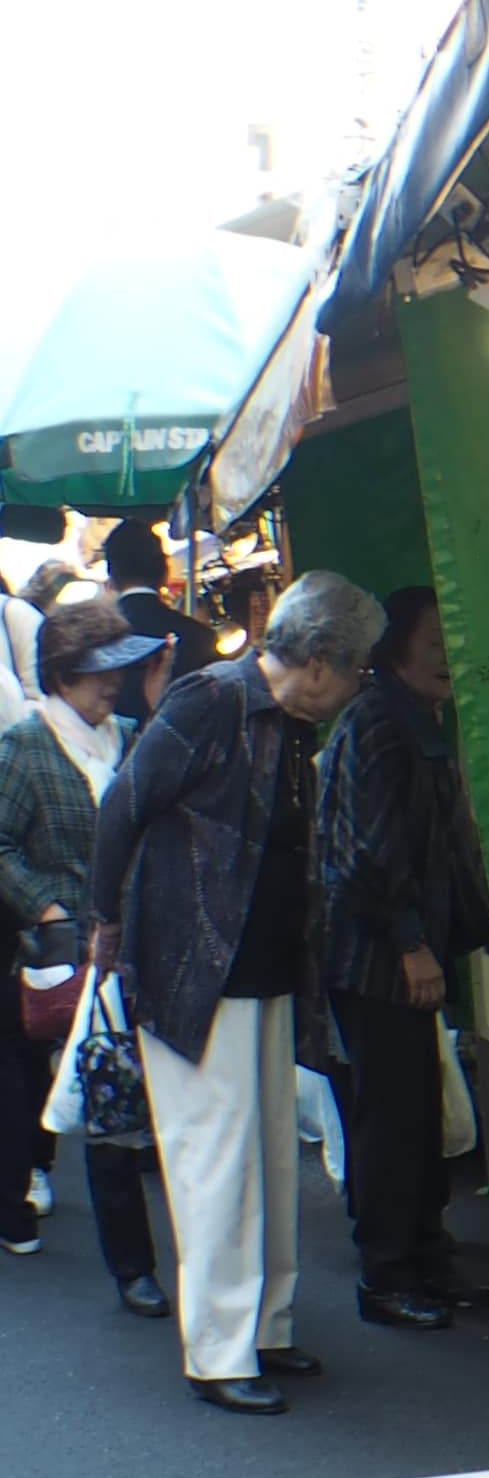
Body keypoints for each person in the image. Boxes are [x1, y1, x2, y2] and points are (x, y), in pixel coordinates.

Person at [89, 572, 377, 1412]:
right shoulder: (212, 699)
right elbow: (123, 809)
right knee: (217, 1160)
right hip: (193, 968)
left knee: (265, 1158)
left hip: (261, 968)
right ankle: (219, 1352)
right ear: (319, 663)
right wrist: (106, 928)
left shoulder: (279, 719)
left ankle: (266, 1328)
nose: (358, 684)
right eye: (356, 668)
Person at [317, 587, 489, 1328]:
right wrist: (413, 944)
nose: (446, 656)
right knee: (391, 1119)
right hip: (378, 959)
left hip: (407, 953)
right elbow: (364, 850)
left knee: (418, 1114)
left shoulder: (415, 717)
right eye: (433, 642)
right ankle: (387, 1275)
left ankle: (427, 1257)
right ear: (394, 650)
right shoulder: (376, 722)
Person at [5, 599, 166, 1272]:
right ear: (63, 675)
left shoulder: (133, 734)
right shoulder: (25, 747)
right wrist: (45, 909)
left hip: (136, 949)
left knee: (122, 1105)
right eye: (98, 674)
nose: (112, 684)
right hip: (64, 957)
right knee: (101, 1102)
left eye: (117, 673)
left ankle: (140, 1264)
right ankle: (132, 1269)